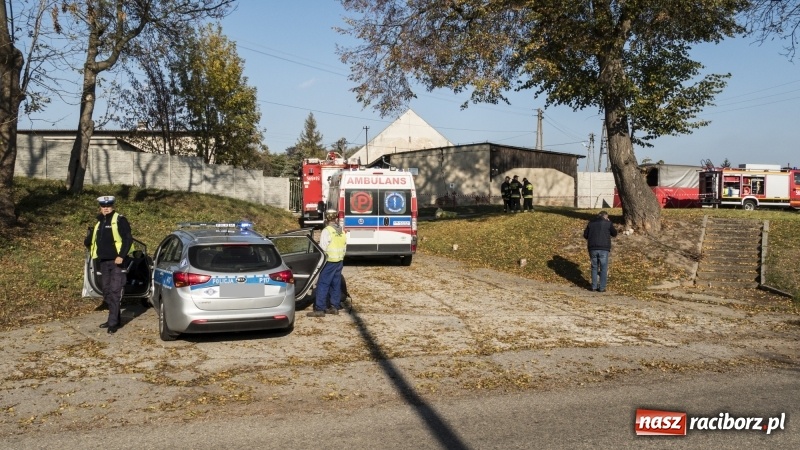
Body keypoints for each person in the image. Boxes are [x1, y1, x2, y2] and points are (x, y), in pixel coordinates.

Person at [84, 195, 133, 334]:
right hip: (103, 261)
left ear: (112, 206)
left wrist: (121, 256)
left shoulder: (120, 220)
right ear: (100, 207)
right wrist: (88, 240)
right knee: (106, 291)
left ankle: (113, 324)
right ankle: (115, 319)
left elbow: (127, 239)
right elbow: (92, 240)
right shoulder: (99, 222)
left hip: (117, 262)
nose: (106, 208)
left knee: (115, 291)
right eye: (103, 206)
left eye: (108, 206)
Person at [308, 212, 347, 317]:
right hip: (339, 261)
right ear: (336, 219)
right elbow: (344, 246)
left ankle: (320, 309)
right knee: (335, 284)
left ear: (326, 219)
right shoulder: (341, 230)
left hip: (329, 261)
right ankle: (335, 306)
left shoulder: (327, 231)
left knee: (323, 284)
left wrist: (319, 261)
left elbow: (323, 248)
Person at [583, 210, 618, 293]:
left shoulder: (591, 223)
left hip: (592, 248)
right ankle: (602, 287)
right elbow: (614, 233)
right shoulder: (608, 223)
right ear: (605, 216)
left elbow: (585, 235)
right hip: (604, 248)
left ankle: (594, 286)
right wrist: (610, 223)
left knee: (594, 267)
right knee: (603, 268)